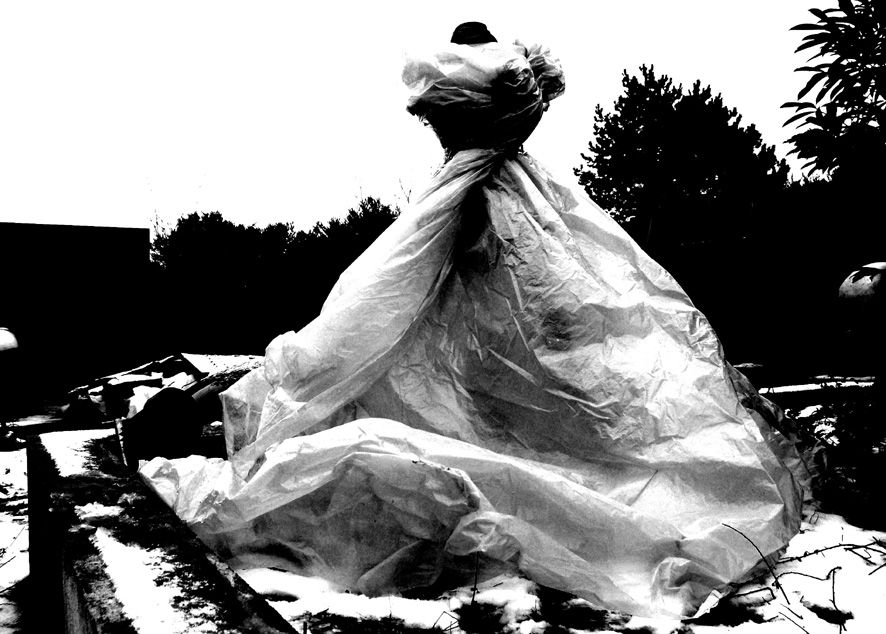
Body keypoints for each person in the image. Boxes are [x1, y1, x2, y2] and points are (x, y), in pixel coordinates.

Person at [141, 23, 806, 618]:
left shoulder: (472, 143)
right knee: (470, 372)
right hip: (503, 277)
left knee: (437, 377)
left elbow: (379, 301)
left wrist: (302, 366)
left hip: (494, 279)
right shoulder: (516, 137)